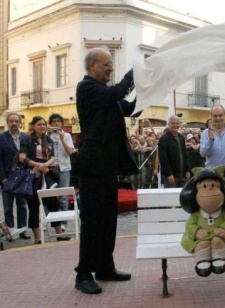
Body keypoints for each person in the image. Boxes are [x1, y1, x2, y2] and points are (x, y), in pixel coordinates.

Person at [72, 47, 139, 294]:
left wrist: (150, 90)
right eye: (107, 64)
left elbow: (130, 108)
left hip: (109, 166)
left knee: (108, 219)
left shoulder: (107, 95)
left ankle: (104, 267)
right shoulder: (87, 88)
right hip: (92, 168)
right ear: (93, 67)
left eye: (112, 64)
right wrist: (135, 74)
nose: (111, 68)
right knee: (92, 221)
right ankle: (83, 274)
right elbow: (118, 91)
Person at [18, 116, 70, 244]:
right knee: (34, 206)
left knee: (53, 204)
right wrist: (38, 165)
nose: (42, 126)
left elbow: (53, 156)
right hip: (32, 176)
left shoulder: (48, 139)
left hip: (47, 175)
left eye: (44, 124)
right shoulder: (28, 139)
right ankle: (38, 238)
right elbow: (22, 157)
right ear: (33, 126)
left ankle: (60, 233)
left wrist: (45, 165)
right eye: (39, 124)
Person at [0, 113, 30, 239]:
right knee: (8, 207)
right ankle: (10, 231)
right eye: (11, 121)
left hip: (22, 177)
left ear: (20, 123)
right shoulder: (1, 138)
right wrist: (2, 178)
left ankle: (23, 229)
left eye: (16, 121)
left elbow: (29, 157)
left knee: (22, 205)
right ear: (7, 123)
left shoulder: (25, 137)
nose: (14, 123)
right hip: (7, 177)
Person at [48, 113, 75, 229]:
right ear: (51, 123)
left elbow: (70, 152)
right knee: (49, 194)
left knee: (64, 196)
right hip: (51, 168)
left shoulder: (67, 135)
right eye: (54, 121)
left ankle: (63, 223)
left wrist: (62, 139)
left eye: (58, 121)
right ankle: (50, 221)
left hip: (64, 168)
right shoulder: (47, 136)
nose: (56, 123)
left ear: (61, 123)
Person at [158, 115, 191, 188]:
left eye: (177, 123)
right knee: (171, 198)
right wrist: (168, 174)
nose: (175, 125)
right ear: (169, 124)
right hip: (171, 176)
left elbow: (185, 155)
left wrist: (187, 170)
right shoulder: (164, 139)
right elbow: (163, 158)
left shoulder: (181, 137)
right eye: (173, 123)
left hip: (182, 175)